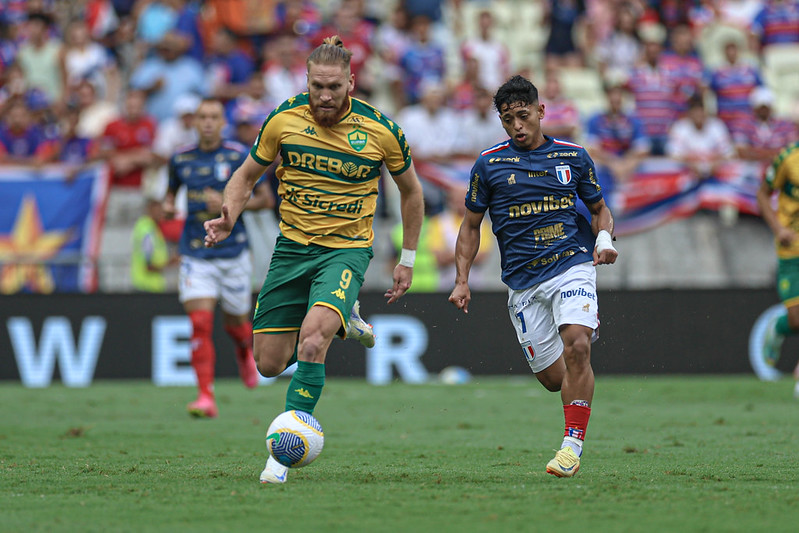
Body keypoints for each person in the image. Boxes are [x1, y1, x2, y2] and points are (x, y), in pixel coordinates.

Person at [203, 36, 424, 484]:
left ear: (351, 83)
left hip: (345, 250)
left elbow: (412, 192)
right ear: (306, 80)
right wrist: (229, 215)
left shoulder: (381, 130)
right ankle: (347, 318)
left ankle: (279, 458)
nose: (325, 95)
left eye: (335, 87)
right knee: (267, 363)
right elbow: (245, 177)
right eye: (318, 86)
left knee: (311, 342)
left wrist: (408, 257)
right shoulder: (284, 119)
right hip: (291, 249)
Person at [448, 75, 618, 478]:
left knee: (577, 346)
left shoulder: (574, 157)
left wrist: (605, 239)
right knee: (554, 379)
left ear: (541, 111)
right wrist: (461, 279)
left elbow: (599, 210)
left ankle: (571, 447)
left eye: (523, 116)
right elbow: (470, 226)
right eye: (508, 120)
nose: (516, 126)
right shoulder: (488, 164)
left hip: (571, 263)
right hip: (523, 283)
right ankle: (579, 336)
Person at [164, 97, 274, 418]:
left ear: (222, 122)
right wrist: (169, 207)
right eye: (202, 117)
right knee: (199, 322)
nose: (208, 122)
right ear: (194, 122)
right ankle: (205, 396)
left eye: (214, 117)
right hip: (196, 253)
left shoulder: (239, 156)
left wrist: (230, 207)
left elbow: (266, 200)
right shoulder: (180, 159)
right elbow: (169, 197)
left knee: (237, 324)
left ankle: (244, 352)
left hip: (234, 252)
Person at [755, 140, 799, 398]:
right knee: (796, 319)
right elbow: (763, 193)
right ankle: (780, 326)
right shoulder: (788, 158)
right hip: (791, 250)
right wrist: (778, 229)